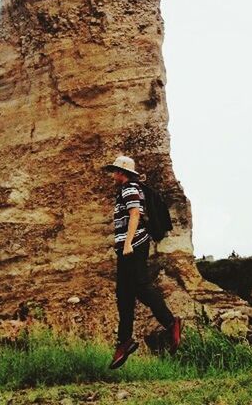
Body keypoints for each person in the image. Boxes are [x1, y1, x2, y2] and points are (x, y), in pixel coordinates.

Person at [103, 155, 182, 369]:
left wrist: (128, 243)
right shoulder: (126, 189)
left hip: (133, 246)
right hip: (127, 247)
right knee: (124, 294)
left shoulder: (129, 188)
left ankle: (170, 323)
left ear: (122, 173)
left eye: (114, 171)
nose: (112, 175)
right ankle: (124, 341)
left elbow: (135, 214)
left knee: (141, 286)